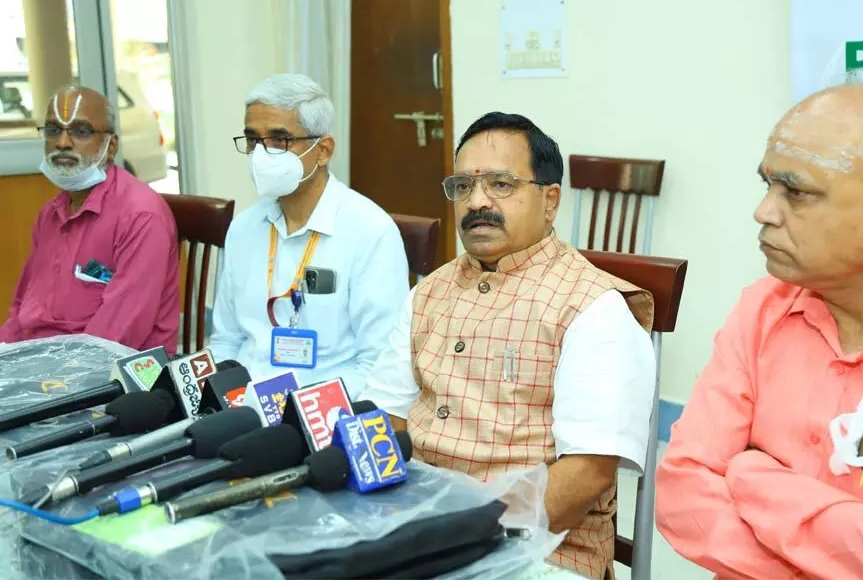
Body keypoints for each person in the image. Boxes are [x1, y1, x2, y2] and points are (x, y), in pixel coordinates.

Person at [656, 81, 863, 579]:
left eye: (795, 192)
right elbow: (682, 494)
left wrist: (751, 477)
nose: (764, 212)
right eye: (767, 186)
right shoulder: (764, 306)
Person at [362, 112, 657, 579]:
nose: (477, 202)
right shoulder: (429, 292)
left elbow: (586, 474)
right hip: (416, 527)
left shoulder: (594, 308)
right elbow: (385, 415)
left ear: (550, 199)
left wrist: (462, 536)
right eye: (463, 186)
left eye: (501, 185)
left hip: (535, 550)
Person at [208, 73, 408, 397]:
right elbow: (226, 341)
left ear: (323, 150)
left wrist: (300, 413)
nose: (261, 154)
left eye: (279, 140)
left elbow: (379, 363)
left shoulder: (370, 232)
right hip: (240, 404)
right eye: (252, 140)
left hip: (319, 415)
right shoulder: (243, 229)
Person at [0, 86, 179, 353]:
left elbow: (115, 338)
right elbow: (22, 312)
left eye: (81, 131)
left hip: (113, 374)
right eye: (52, 130)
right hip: (44, 361)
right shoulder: (51, 213)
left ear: (111, 145)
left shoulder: (141, 215)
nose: (62, 142)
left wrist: (46, 379)